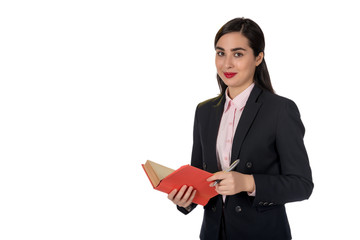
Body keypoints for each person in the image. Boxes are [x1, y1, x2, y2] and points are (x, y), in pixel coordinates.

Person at [167, 17, 313, 240]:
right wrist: (186, 200)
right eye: (220, 53)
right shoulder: (204, 111)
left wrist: (248, 182)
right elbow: (200, 177)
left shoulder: (280, 110)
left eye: (238, 54)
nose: (227, 64)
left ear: (258, 57)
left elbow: (302, 185)